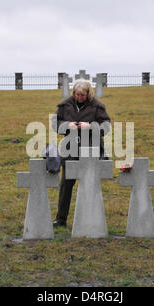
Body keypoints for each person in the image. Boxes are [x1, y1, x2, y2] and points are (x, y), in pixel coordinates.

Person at [52, 79, 111, 227]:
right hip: (70, 150)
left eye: (82, 95)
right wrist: (67, 125)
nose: (79, 97)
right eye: (77, 94)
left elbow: (106, 127)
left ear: (88, 93)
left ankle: (90, 219)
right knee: (66, 185)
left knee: (89, 184)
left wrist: (90, 126)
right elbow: (55, 124)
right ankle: (61, 219)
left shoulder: (98, 107)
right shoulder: (64, 106)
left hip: (91, 151)